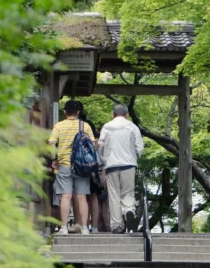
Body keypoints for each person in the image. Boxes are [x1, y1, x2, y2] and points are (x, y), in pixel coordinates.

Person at [47, 100, 95, 235]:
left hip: (64, 164)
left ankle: (63, 228)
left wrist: (54, 158)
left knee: (66, 197)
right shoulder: (84, 126)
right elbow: (94, 144)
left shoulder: (59, 126)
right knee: (82, 197)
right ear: (78, 112)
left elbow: (51, 143)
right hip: (81, 166)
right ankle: (85, 228)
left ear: (65, 112)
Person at [98, 103, 144, 234]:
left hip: (112, 165)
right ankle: (129, 210)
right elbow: (139, 146)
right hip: (129, 164)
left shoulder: (106, 127)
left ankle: (117, 225)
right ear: (127, 114)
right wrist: (134, 157)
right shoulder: (132, 127)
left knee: (114, 195)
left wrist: (105, 160)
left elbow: (101, 146)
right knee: (128, 192)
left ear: (113, 114)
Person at [77, 105, 104, 233]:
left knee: (79, 196)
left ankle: (82, 225)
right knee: (93, 197)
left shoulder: (69, 125)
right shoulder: (89, 125)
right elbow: (96, 145)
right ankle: (94, 227)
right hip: (90, 164)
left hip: (76, 165)